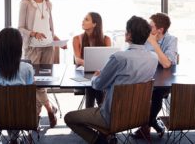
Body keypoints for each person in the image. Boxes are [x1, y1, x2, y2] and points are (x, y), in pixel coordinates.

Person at [64, 15, 158, 144]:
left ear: (129, 35)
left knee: (69, 117)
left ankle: (98, 141)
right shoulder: (153, 58)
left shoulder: (119, 57)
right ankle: (104, 136)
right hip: (138, 115)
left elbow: (98, 85)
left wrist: (96, 76)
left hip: (112, 116)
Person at [18, 0, 64, 128]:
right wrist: (34, 33)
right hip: (33, 48)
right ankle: (49, 109)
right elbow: (20, 28)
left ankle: (36, 117)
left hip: (48, 47)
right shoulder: (25, 3)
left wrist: (58, 41)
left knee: (42, 83)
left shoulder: (48, 4)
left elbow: (50, 28)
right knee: (35, 83)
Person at [0, 27, 34, 144]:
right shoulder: (27, 68)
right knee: (18, 103)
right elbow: (30, 90)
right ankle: (14, 138)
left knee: (0, 104)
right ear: (18, 47)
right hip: (20, 117)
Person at [133, 12, 178, 140]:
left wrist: (154, 44)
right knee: (139, 90)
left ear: (160, 30)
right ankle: (152, 122)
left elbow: (166, 64)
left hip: (164, 81)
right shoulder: (144, 38)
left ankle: (145, 125)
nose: (147, 28)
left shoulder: (171, 40)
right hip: (145, 76)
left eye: (150, 26)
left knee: (156, 93)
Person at [73, 12, 111, 108]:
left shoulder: (106, 39)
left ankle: (91, 111)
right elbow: (77, 59)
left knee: (95, 82)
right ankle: (101, 110)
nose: (83, 21)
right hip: (84, 74)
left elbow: (108, 60)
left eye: (86, 19)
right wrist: (90, 64)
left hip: (100, 73)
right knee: (94, 84)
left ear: (94, 24)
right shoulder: (77, 39)